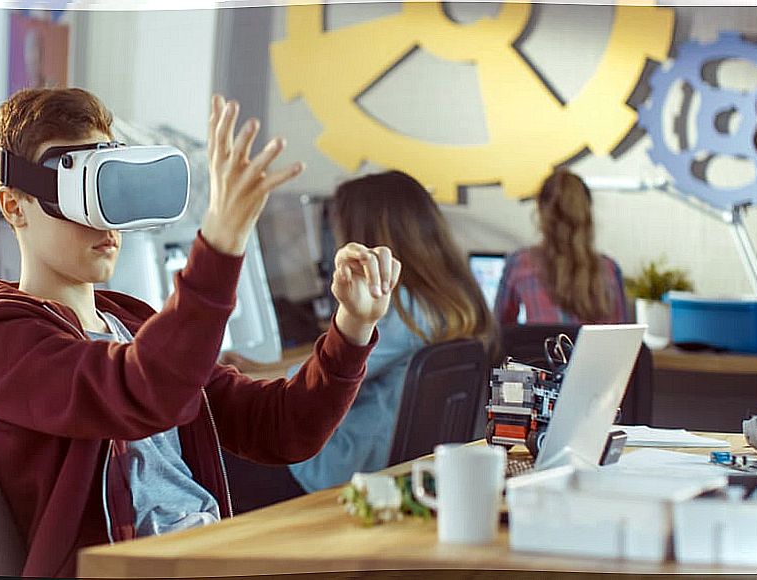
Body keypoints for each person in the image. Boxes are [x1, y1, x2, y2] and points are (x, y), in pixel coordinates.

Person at [0, 88, 402, 578]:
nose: (104, 219)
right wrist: (220, 243)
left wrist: (352, 328)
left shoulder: (132, 325)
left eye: (111, 186)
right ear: (15, 205)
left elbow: (281, 429)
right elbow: (140, 391)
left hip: (206, 553)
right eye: (77, 192)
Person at [264, 171, 495, 494]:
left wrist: (256, 372)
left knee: (233, 441)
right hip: (403, 462)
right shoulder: (456, 299)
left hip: (348, 462)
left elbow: (315, 381)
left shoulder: (398, 307)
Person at [495, 168, 629, 325]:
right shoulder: (609, 269)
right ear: (587, 212)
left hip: (542, 349)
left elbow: (499, 332)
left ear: (540, 210)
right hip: (601, 350)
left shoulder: (520, 264)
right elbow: (622, 336)